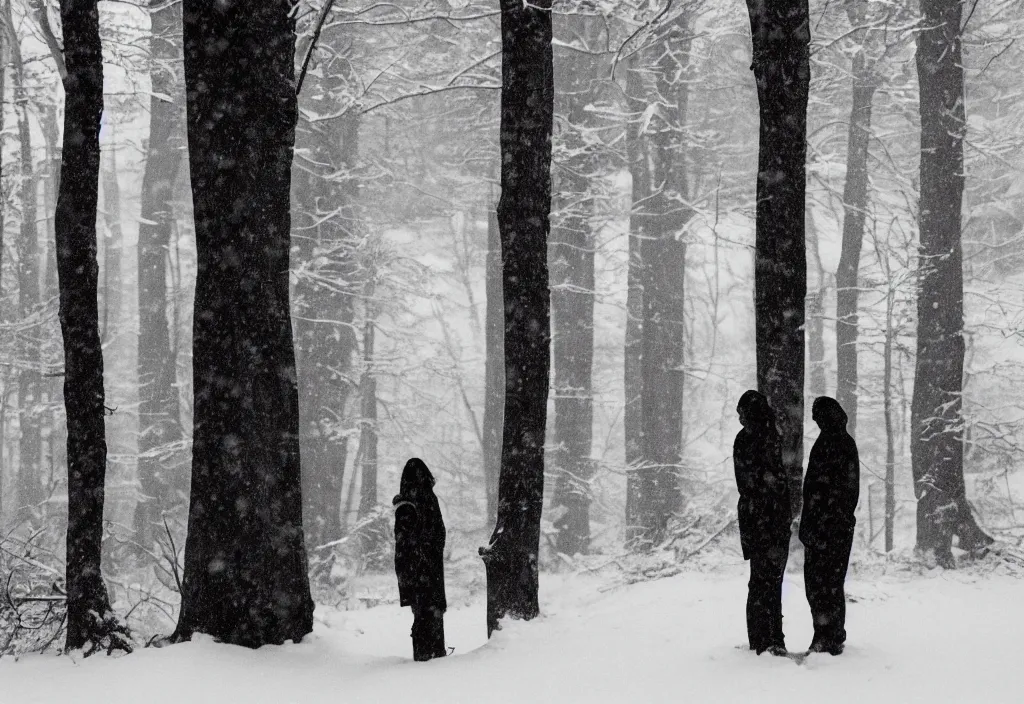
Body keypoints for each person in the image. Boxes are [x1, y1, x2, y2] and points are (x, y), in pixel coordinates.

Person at [800, 396, 860, 656]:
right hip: (825, 529)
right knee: (824, 584)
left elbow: (841, 493)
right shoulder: (833, 442)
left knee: (825, 584)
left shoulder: (837, 444)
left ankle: (828, 636)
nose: (814, 419)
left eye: (817, 414)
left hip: (829, 529)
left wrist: (825, 524)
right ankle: (828, 634)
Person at [733, 390, 792, 656]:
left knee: (762, 579)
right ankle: (767, 637)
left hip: (760, 518)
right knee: (767, 579)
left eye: (742, 412)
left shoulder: (752, 439)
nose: (740, 418)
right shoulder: (769, 437)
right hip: (768, 517)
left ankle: (763, 637)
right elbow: (769, 480)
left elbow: (752, 481)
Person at [393, 458, 447, 661]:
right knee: (431, 615)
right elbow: (438, 535)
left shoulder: (408, 504)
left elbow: (404, 545)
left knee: (423, 615)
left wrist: (407, 574)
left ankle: (426, 657)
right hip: (430, 571)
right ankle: (434, 656)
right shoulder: (427, 500)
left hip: (418, 571)